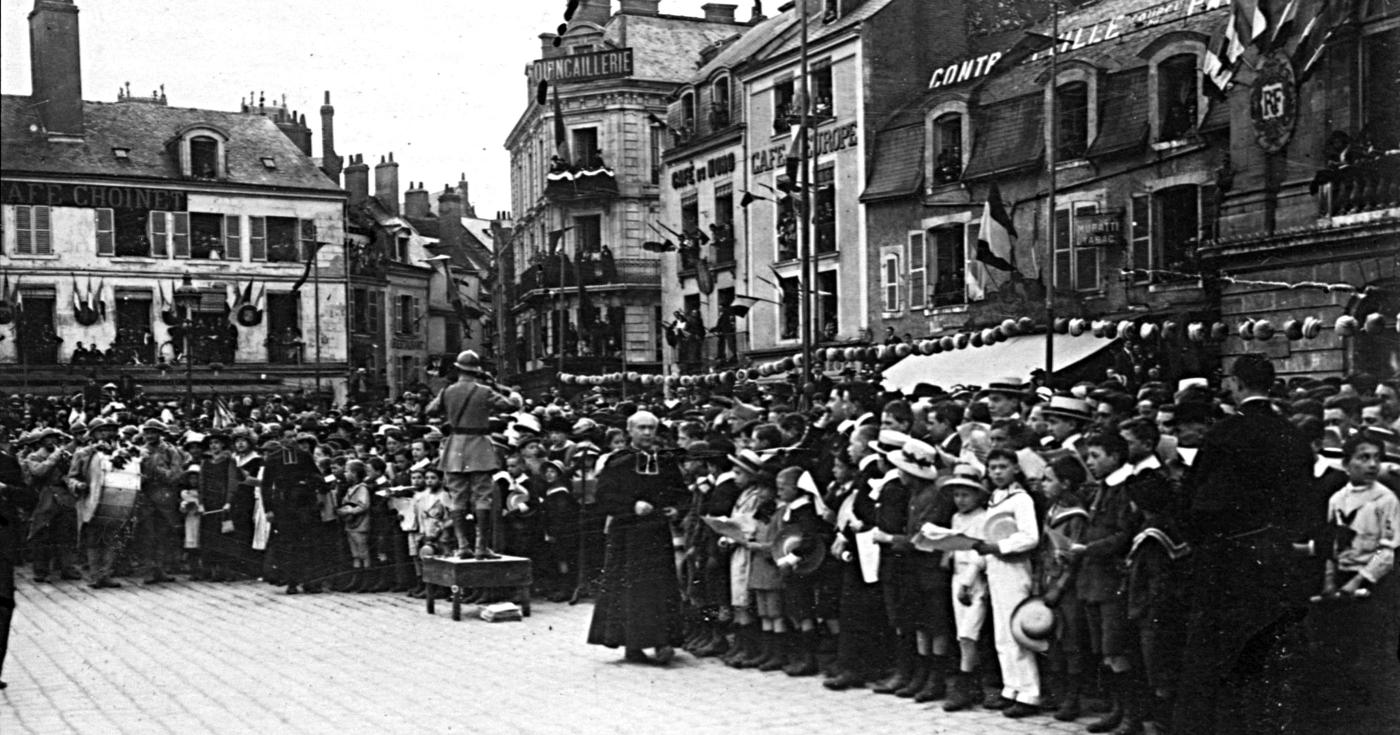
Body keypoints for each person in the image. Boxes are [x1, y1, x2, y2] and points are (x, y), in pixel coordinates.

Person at [1175, 354, 1315, 735]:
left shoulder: (1224, 434)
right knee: (1268, 654)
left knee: (1218, 655)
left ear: (1235, 384)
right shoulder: (1292, 434)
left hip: (1227, 562)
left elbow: (1197, 501)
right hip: (1277, 561)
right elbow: (1306, 501)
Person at [586, 410, 688, 664]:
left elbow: (681, 493)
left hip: (657, 535)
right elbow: (603, 498)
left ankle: (662, 641)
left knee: (659, 588)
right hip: (627, 536)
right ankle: (632, 643)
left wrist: (676, 509)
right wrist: (631, 506)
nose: (646, 433)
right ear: (629, 431)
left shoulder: (665, 461)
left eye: (651, 428)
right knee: (630, 590)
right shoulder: (618, 461)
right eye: (641, 428)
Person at [426, 350, 522, 559]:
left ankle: (462, 546)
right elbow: (513, 404)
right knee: (482, 497)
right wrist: (499, 387)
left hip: (455, 447)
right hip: (479, 446)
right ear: (477, 371)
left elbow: (430, 411)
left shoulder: (448, 391)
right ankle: (481, 547)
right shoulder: (485, 390)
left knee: (458, 498)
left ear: (458, 370)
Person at [970, 448, 1042, 717]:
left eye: (1003, 467)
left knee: (1015, 632)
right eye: (993, 467)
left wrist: (998, 546)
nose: (997, 472)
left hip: (1014, 568)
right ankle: (1011, 687)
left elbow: (1029, 537)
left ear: (1015, 469)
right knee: (1001, 634)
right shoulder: (995, 498)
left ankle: (1029, 692)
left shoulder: (1021, 499)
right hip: (996, 569)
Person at [942, 468, 990, 712]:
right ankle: (972, 684)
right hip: (956, 576)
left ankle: (965, 684)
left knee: (969, 634)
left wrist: (967, 582)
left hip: (974, 579)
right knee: (962, 632)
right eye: (956, 495)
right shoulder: (956, 518)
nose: (960, 500)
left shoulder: (983, 518)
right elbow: (953, 543)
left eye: (965, 495)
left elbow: (980, 555)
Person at [0, 430, 36, 690]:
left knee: (2, 607)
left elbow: (28, 497)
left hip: (1, 546)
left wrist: (4, 489)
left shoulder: (5, 462)